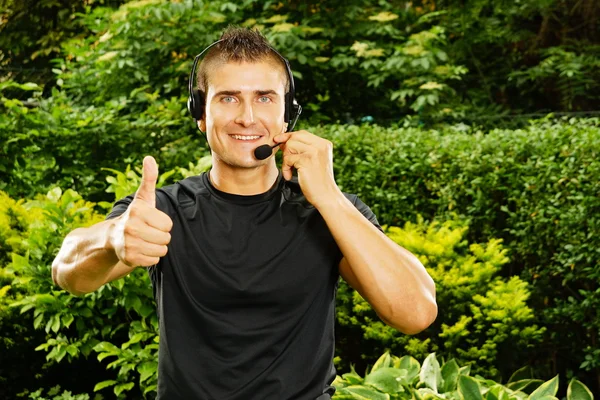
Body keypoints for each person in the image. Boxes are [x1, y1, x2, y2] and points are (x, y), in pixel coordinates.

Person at [52, 27, 437, 400]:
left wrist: (329, 197)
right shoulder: (160, 211)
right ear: (200, 114)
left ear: (289, 114)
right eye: (229, 98)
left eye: (266, 98)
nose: (248, 117)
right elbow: (67, 272)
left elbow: (415, 313)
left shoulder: (330, 212)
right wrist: (111, 238)